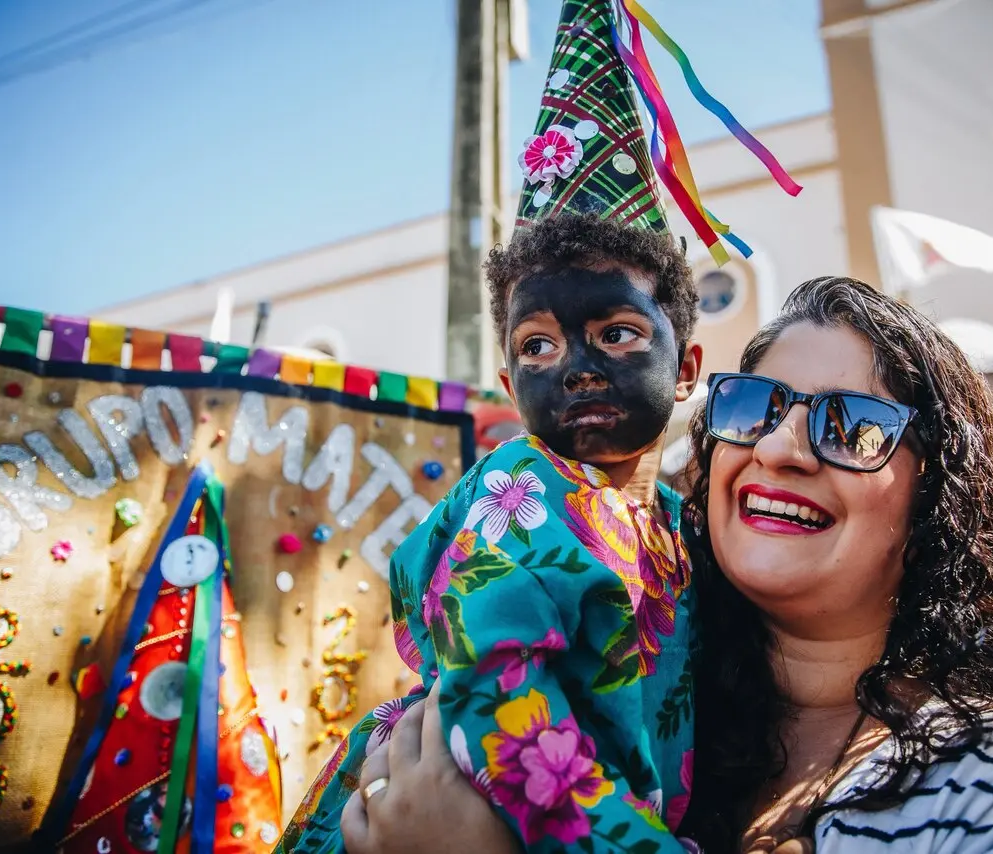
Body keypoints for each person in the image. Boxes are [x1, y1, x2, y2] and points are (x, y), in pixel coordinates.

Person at [343, 277, 993, 854]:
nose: (777, 447)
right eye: (754, 407)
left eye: (853, 426)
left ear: (936, 495)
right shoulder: (644, 717)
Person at [274, 1, 804, 848]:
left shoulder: (679, 525)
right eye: (538, 344)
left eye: (617, 333)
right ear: (506, 382)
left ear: (691, 372)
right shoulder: (519, 493)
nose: (576, 365)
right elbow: (496, 696)